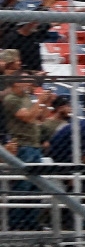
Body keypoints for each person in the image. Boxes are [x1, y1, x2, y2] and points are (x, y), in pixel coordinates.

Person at [3, 73, 50, 229]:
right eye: (26, 80)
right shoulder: (11, 99)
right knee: (22, 186)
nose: (30, 82)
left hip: (34, 145)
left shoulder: (27, 97)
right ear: (16, 83)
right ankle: (16, 222)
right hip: (22, 145)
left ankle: (32, 221)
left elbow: (39, 118)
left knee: (36, 186)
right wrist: (40, 101)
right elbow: (28, 117)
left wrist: (45, 103)